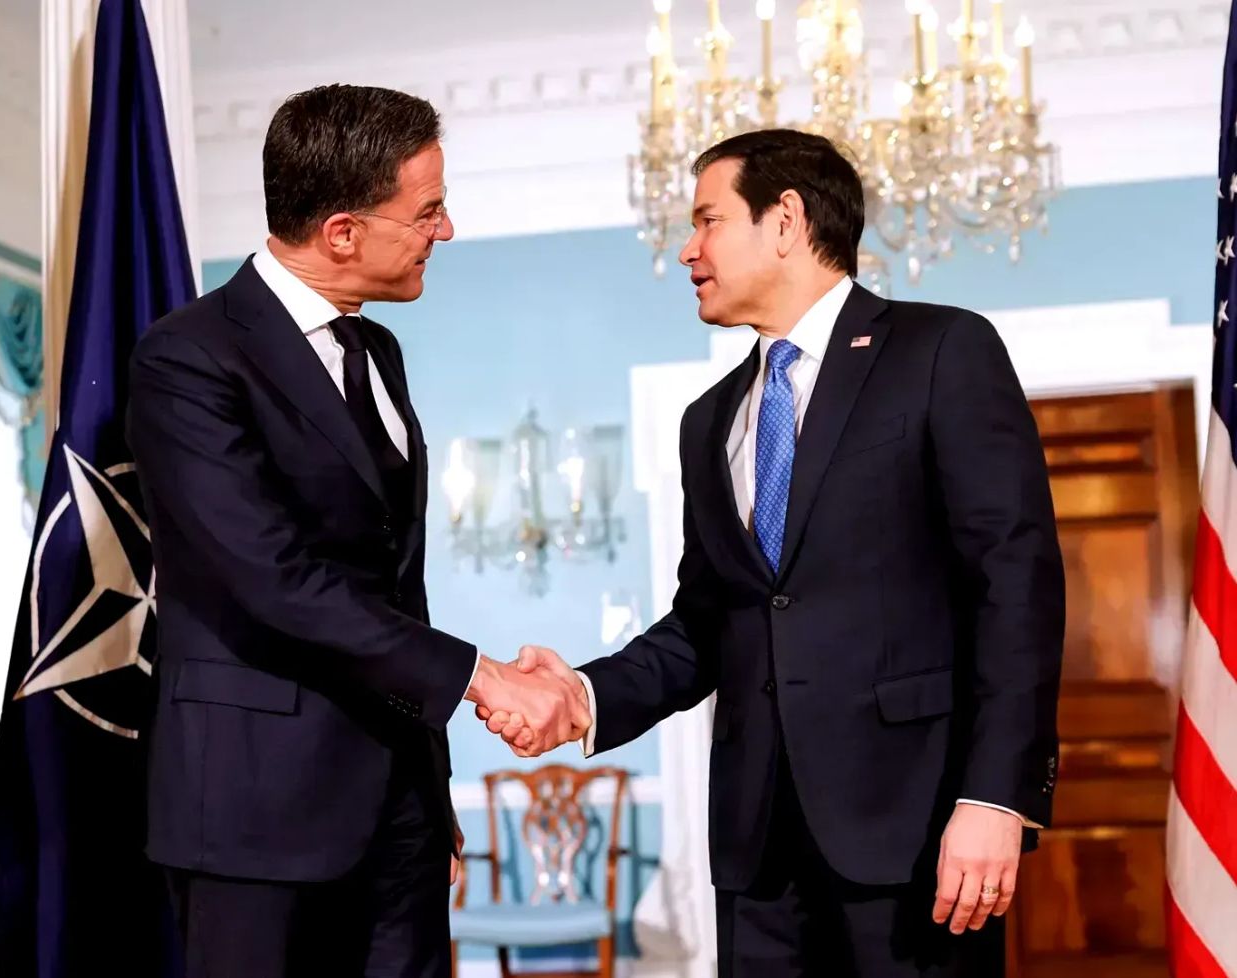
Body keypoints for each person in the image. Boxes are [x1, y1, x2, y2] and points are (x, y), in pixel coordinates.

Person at [483, 129, 1065, 977]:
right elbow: (709, 622)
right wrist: (581, 696)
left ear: (785, 220)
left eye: (706, 221)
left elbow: (1015, 583)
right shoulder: (708, 420)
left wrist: (995, 798)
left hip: (915, 833)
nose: (687, 249)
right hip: (758, 853)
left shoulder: (942, 351)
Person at [127, 84, 586, 978]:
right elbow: (274, 578)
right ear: (342, 232)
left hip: (397, 806)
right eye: (428, 211)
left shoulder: (378, 350)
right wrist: (482, 677)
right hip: (256, 815)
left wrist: (430, 779)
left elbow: (391, 583)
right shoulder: (188, 357)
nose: (444, 231)